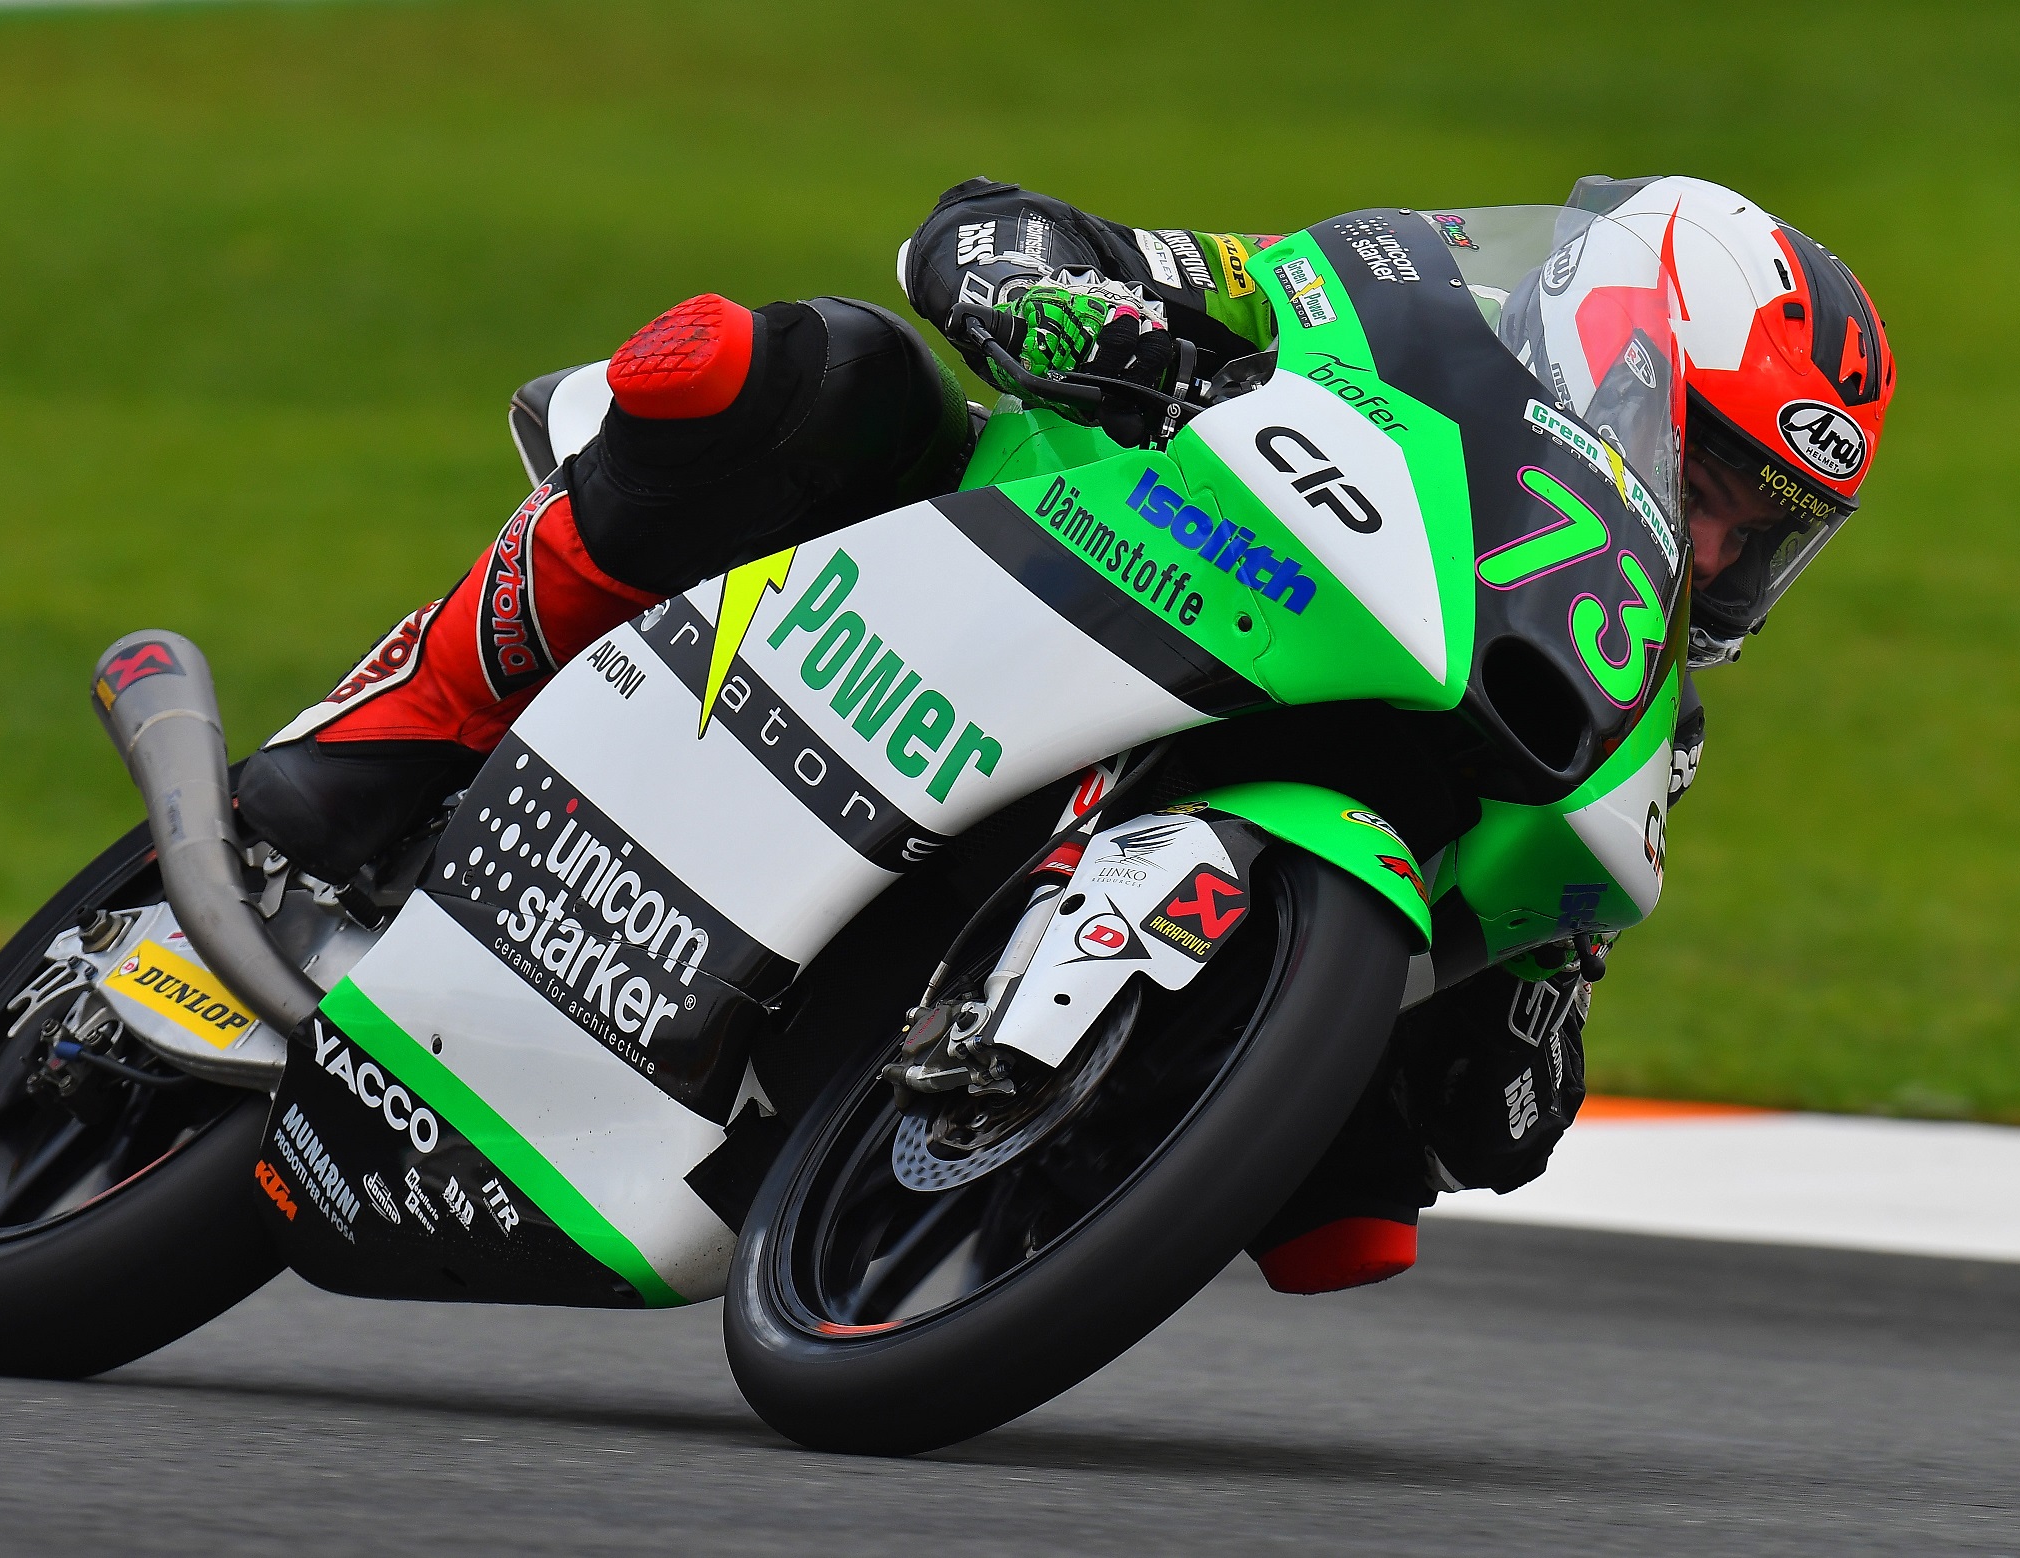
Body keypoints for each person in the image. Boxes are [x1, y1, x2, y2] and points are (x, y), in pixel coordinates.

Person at [238, 174, 1896, 1295]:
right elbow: (985, 233)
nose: (1713, 547)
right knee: (811, 370)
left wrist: (1532, 994)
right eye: (1706, 476)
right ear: (1611, 350)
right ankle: (406, 717)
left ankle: (986, 1127)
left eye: (1763, 531)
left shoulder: (1620, 709)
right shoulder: (1380, 301)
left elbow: (1502, 1117)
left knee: (1358, 1216)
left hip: (1185, 828)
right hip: (980, 570)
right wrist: (1083, 317)